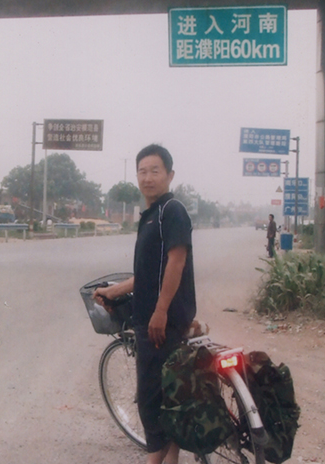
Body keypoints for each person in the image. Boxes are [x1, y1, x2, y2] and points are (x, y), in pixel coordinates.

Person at [94, 144, 196, 464]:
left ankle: (154, 459)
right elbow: (148, 273)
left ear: (170, 175)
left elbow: (177, 262)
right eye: (142, 171)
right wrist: (114, 291)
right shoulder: (151, 216)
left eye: (155, 171)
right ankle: (171, 458)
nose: (148, 178)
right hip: (158, 317)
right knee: (169, 394)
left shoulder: (171, 210)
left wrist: (160, 311)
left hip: (160, 322)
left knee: (150, 400)